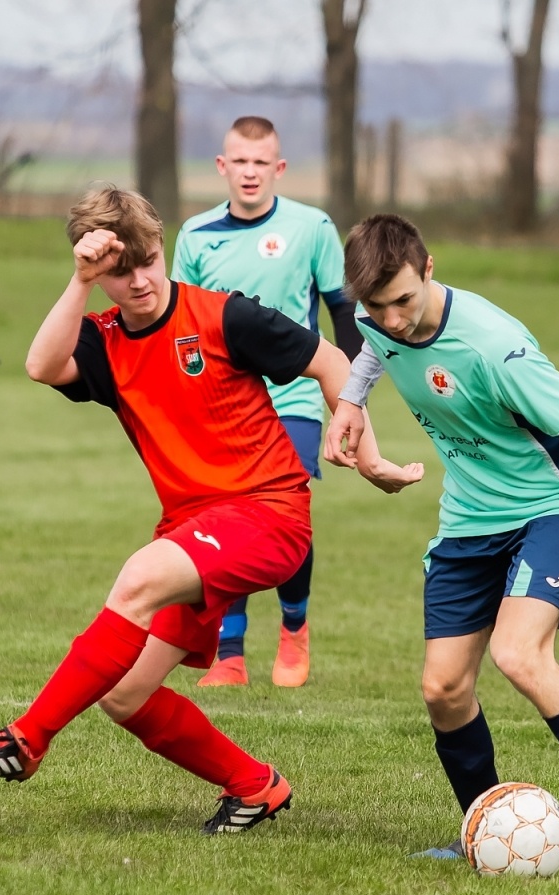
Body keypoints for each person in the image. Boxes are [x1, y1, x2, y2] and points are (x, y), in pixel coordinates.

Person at [0, 187, 366, 833]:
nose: (139, 281)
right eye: (118, 271)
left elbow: (332, 360)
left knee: (137, 579)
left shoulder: (226, 317)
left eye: (148, 261)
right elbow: (40, 364)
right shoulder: (103, 342)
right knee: (124, 693)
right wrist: (80, 280)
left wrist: (357, 438)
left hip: (268, 515)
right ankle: (256, 787)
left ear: (162, 247)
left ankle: (23, 743)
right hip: (193, 529)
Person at [324, 214, 559, 875]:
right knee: (443, 687)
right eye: (373, 308)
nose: (391, 319)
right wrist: (352, 401)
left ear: (429, 269)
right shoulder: (383, 322)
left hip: (552, 506)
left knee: (519, 655)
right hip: (470, 518)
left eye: (403, 301)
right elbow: (378, 349)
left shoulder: (494, 347)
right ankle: (482, 828)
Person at [172, 116, 360, 689]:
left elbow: (343, 314)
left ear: (278, 168)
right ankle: (229, 653)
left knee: (287, 516)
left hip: (296, 396)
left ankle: (294, 629)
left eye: (262, 163)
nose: (250, 173)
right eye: (240, 162)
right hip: (222, 405)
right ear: (222, 167)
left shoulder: (312, 227)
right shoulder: (195, 236)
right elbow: (180, 327)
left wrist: (350, 396)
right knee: (225, 520)